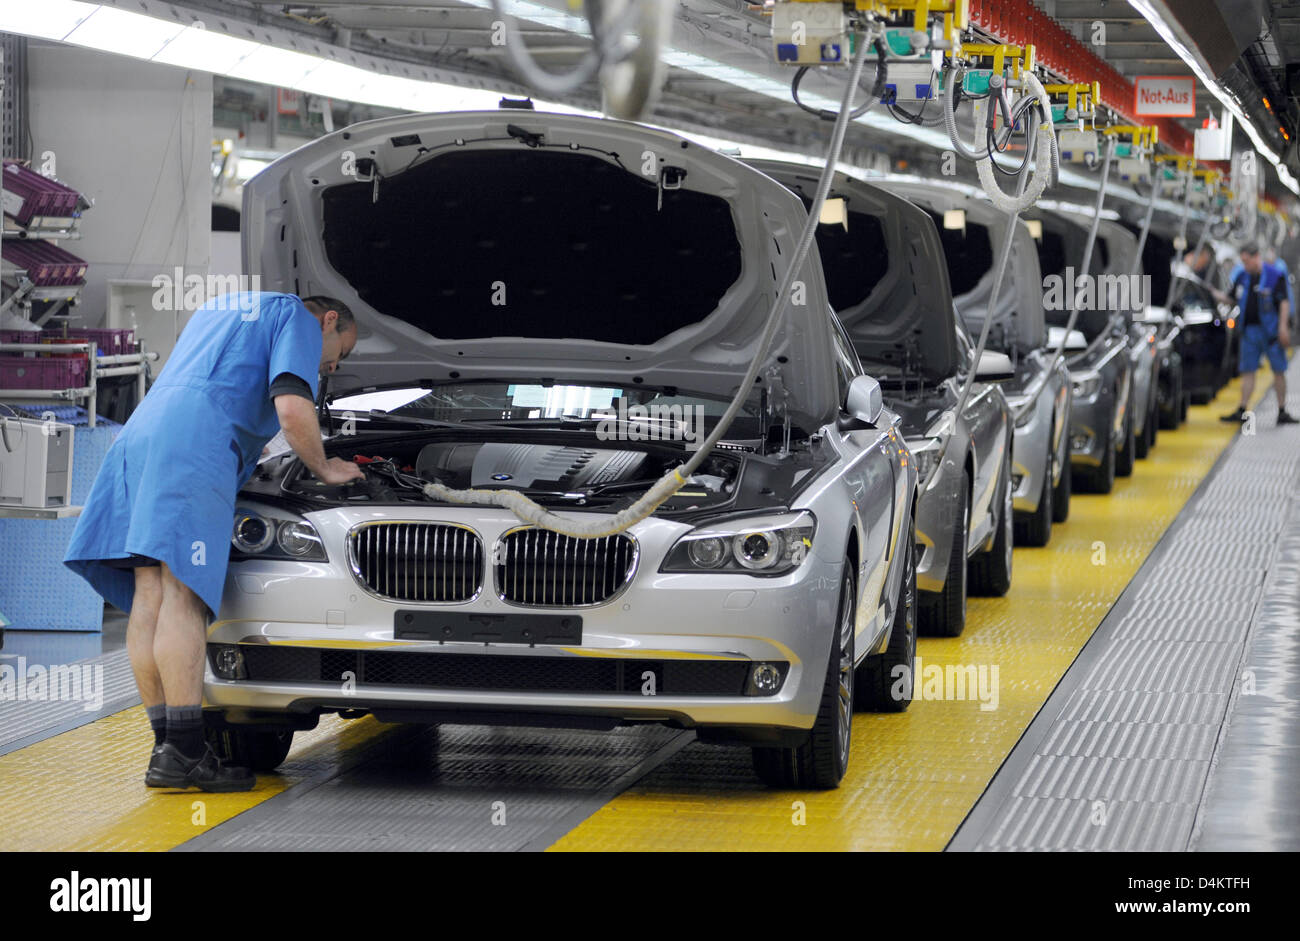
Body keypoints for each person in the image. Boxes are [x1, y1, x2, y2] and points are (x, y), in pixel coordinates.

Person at [64, 292, 364, 791]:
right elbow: (291, 409)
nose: (331, 364)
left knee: (151, 593)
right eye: (339, 352)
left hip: (141, 437)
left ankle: (168, 748)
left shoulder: (222, 305)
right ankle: (183, 750)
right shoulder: (295, 315)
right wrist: (325, 467)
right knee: (183, 594)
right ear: (329, 320)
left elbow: (218, 385)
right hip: (193, 447)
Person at [1220, 243, 1296, 425]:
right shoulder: (1242, 276)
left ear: (1256, 257)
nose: (1245, 265)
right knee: (1248, 370)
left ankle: (1282, 410)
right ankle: (1242, 409)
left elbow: (1284, 302)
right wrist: (1211, 293)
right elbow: (1230, 298)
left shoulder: (1274, 275)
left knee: (1279, 370)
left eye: (1247, 261)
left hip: (1271, 333)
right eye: (1243, 262)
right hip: (1249, 332)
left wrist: (1283, 328)